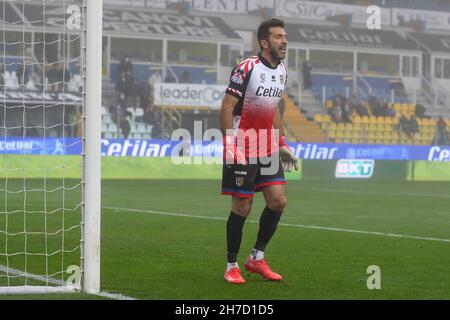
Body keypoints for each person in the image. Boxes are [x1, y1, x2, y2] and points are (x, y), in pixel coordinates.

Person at [220, 18, 298, 285]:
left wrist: (282, 143)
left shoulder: (282, 72)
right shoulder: (246, 68)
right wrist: (229, 144)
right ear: (264, 42)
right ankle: (231, 265)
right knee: (243, 206)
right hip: (242, 146)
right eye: (278, 37)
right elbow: (227, 107)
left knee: (278, 201)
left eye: (285, 36)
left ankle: (256, 257)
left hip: (266, 147)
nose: (284, 41)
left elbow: (273, 108)